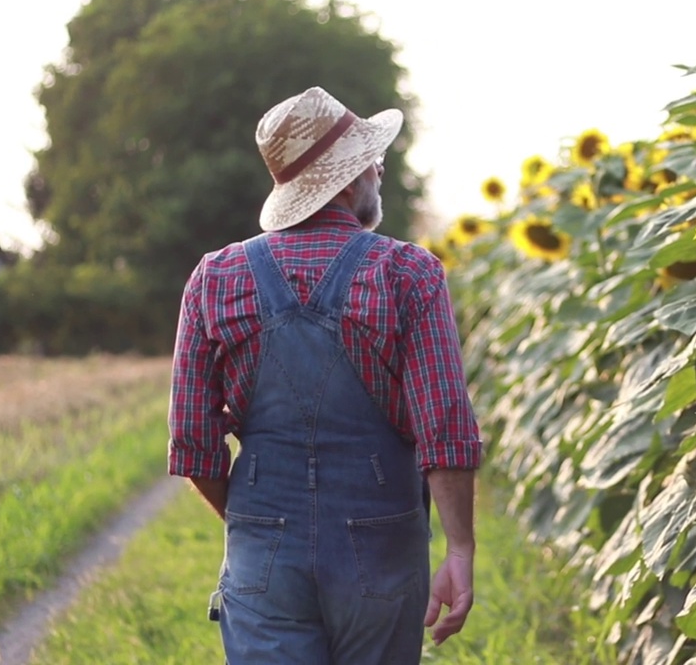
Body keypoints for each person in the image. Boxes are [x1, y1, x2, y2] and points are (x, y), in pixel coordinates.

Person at [167, 85, 483, 664]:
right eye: (368, 158)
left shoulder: (214, 277)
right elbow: (445, 428)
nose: (380, 166)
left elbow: (193, 444)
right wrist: (459, 549)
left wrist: (258, 525)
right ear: (346, 180)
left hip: (263, 547)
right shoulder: (408, 273)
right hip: (382, 543)